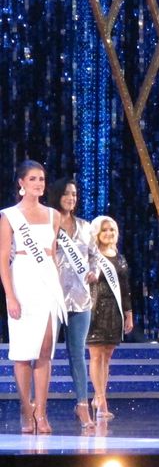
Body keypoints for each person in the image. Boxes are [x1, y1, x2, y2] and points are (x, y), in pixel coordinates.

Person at [0, 160, 66, 434]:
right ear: (21, 183)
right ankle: (26, 410)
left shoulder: (54, 215)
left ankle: (41, 410)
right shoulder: (9, 216)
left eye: (41, 179)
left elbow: (52, 255)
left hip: (47, 283)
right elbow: (3, 260)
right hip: (22, 282)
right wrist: (10, 297)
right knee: (22, 353)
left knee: (44, 350)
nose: (39, 183)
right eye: (33, 179)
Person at [49, 178, 99, 428]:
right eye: (67, 194)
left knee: (77, 353)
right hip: (52, 297)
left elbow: (95, 257)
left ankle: (82, 405)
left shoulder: (85, 226)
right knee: (44, 354)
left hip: (80, 299)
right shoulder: (47, 223)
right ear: (57, 195)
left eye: (75, 194)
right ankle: (39, 409)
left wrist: (94, 272)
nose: (71, 198)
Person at [86, 216, 134, 420]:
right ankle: (100, 399)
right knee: (96, 356)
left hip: (115, 312)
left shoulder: (119, 257)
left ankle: (100, 397)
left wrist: (129, 314)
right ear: (97, 233)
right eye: (104, 230)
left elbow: (125, 289)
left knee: (107, 357)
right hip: (95, 310)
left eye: (112, 230)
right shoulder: (91, 256)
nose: (108, 234)